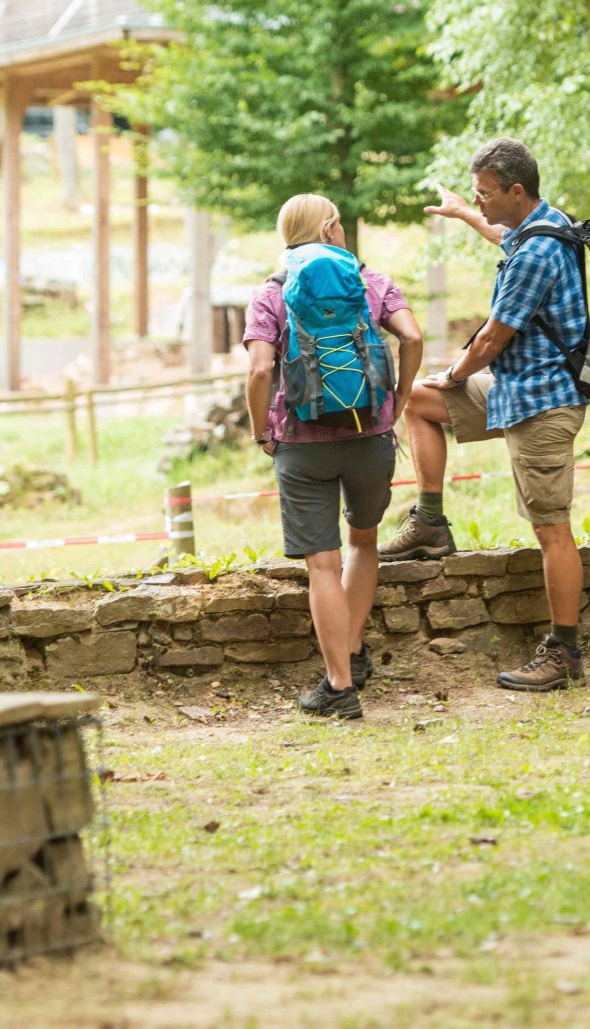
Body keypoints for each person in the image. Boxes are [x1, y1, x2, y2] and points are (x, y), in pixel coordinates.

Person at [378, 138, 590, 692]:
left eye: (485, 193)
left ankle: (564, 652)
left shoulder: (537, 255)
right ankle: (430, 523)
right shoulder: (544, 225)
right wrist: (464, 213)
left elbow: (493, 337)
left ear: (517, 191)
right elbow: (502, 234)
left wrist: (454, 373)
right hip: (515, 388)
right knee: (416, 400)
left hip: (543, 402)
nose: (480, 200)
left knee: (551, 529)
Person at [245, 193, 424, 718]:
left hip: (301, 445)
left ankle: (340, 687)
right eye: (339, 223)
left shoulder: (271, 293)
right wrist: (400, 399)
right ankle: (352, 650)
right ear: (328, 228)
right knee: (362, 543)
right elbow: (412, 336)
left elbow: (260, 371)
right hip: (370, 435)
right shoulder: (372, 282)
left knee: (322, 565)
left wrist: (261, 431)